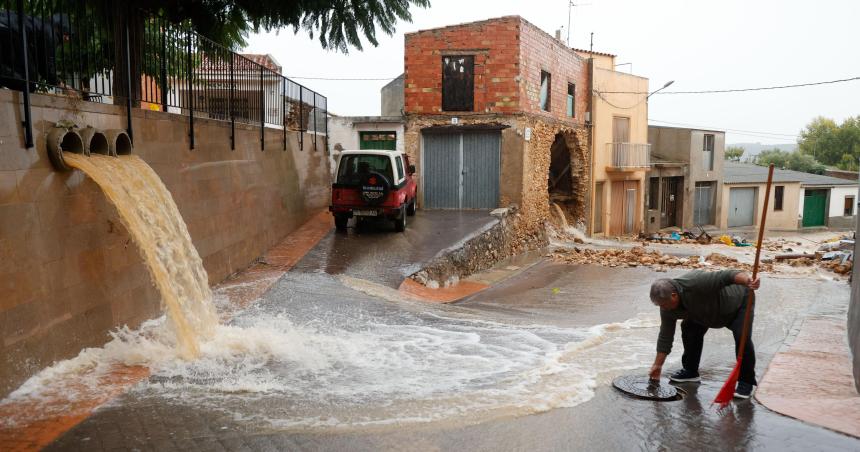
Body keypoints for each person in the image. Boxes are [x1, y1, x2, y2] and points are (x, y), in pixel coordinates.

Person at [648, 270, 761, 399]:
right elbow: (665, 336)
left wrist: (748, 281)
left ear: (674, 295)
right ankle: (690, 371)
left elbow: (728, 275)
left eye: (663, 305)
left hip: (736, 305)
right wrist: (658, 365)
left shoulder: (696, 281)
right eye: (659, 305)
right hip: (703, 313)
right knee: (689, 328)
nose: (662, 308)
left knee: (743, 338)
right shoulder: (666, 308)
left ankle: (746, 381)